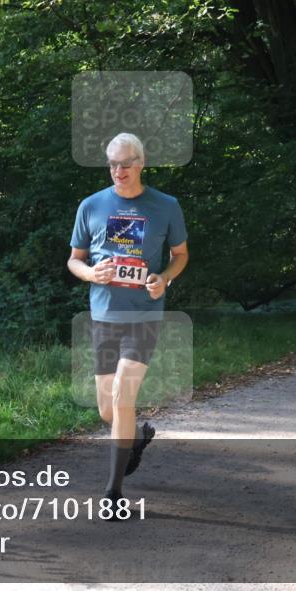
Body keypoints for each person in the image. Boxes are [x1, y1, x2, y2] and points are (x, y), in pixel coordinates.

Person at [67, 132, 188, 516]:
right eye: (112, 164)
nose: (119, 171)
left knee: (122, 396)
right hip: (103, 316)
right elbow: (74, 259)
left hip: (144, 317)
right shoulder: (91, 205)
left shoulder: (166, 206)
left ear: (141, 162)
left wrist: (164, 278)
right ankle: (137, 436)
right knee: (109, 409)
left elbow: (180, 255)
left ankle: (113, 492)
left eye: (126, 163)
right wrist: (90, 274)